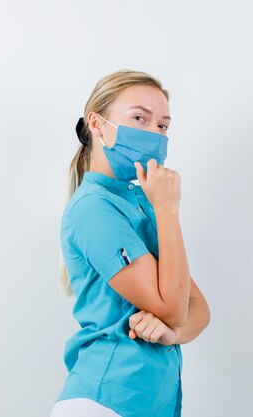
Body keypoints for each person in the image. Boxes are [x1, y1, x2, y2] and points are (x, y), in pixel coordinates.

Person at [51, 69, 211, 417]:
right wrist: (167, 209)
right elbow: (174, 308)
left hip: (150, 403)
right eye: (140, 118)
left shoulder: (141, 202)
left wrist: (171, 334)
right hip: (105, 399)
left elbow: (197, 308)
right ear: (96, 124)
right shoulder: (93, 207)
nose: (154, 134)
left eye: (163, 126)